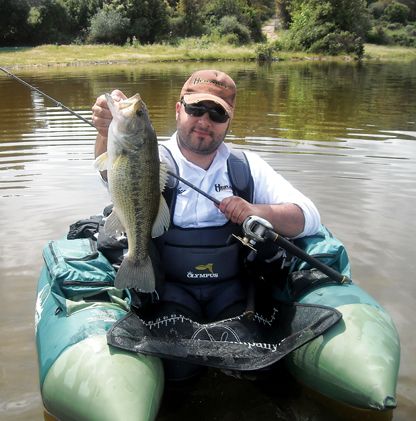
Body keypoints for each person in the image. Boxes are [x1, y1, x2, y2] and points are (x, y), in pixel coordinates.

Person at [92, 69, 321, 381]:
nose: (204, 121)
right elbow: (110, 173)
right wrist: (105, 131)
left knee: (255, 367)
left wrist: (255, 209)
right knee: (177, 370)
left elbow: (309, 217)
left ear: (229, 119)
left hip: (234, 297)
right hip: (167, 293)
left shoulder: (246, 166)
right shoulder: (149, 155)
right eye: (195, 109)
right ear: (178, 109)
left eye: (217, 113)